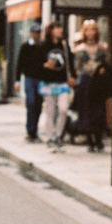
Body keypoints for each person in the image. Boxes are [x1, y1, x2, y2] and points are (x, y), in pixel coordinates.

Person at [73, 20, 112, 152]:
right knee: (87, 110)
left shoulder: (103, 48)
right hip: (86, 82)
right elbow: (78, 68)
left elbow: (107, 64)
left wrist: (102, 70)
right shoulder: (80, 49)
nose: (90, 33)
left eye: (93, 29)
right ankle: (90, 139)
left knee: (99, 110)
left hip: (98, 83)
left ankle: (99, 137)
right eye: (88, 30)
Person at [39, 21, 75, 149]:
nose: (60, 30)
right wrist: (45, 65)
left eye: (60, 28)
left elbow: (70, 62)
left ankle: (59, 135)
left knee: (63, 109)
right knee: (50, 111)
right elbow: (37, 64)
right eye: (57, 28)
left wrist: (72, 76)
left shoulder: (64, 45)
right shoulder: (43, 46)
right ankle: (50, 137)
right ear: (51, 31)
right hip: (48, 82)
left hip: (62, 82)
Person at [14, 22, 45, 141]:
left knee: (38, 104)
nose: (37, 34)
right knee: (31, 102)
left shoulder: (42, 46)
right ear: (31, 33)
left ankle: (35, 130)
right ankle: (30, 130)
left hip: (40, 78)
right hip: (29, 78)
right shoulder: (25, 47)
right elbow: (19, 64)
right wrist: (17, 80)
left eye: (38, 32)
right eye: (35, 32)